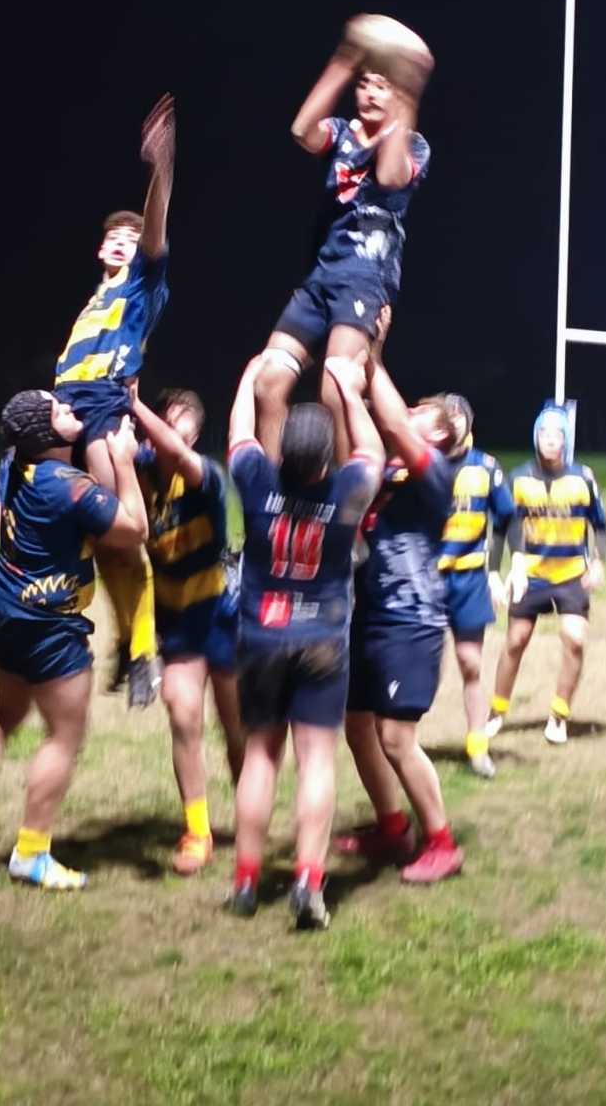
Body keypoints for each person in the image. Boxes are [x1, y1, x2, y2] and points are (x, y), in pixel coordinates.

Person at [0, 392, 149, 890]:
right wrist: (124, 461)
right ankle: (31, 853)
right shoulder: (66, 487)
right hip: (48, 623)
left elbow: (34, 429)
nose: (70, 410)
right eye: (59, 411)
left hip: (5, 606)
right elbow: (134, 529)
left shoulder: (16, 464)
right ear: (46, 435)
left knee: (5, 712)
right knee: (65, 735)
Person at [225, 353, 383, 928]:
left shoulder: (257, 481)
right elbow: (372, 453)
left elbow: (240, 436)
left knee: (260, 757)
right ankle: (308, 881)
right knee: (316, 760)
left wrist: (250, 378)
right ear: (324, 459)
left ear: (286, 451)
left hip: (261, 636)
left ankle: (246, 881)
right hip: (322, 639)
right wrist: (349, 392)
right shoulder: (346, 491)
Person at [251, 16, 431, 461]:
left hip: (365, 280)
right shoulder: (340, 133)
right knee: (268, 379)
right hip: (321, 276)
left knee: (336, 387)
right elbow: (301, 131)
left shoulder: (413, 144)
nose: (370, 93)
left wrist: (408, 92)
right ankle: (272, 493)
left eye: (382, 86)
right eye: (364, 84)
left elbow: (389, 177)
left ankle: (349, 493)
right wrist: (345, 60)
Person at [52, 93, 174, 708]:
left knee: (122, 534)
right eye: (115, 237)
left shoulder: (143, 285)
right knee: (90, 542)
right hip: (63, 408)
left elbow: (155, 231)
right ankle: (121, 641)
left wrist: (160, 169)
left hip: (101, 407)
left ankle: (144, 651)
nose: (125, 242)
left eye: (132, 236)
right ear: (101, 249)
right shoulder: (92, 301)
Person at [335, 336, 466, 884]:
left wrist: (374, 356)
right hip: (368, 614)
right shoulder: (389, 472)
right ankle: (393, 827)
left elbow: (389, 422)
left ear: (440, 434)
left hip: (409, 619)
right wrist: (349, 390)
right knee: (356, 725)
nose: (408, 412)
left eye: (421, 413)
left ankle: (442, 842)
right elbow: (359, 439)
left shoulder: (436, 473)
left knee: (395, 736)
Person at [130, 389, 246, 875]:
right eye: (164, 421)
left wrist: (133, 405)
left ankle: (250, 818)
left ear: (193, 436)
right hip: (176, 623)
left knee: (236, 726)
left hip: (221, 614)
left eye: (178, 427)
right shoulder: (138, 472)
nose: (167, 436)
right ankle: (197, 831)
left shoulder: (205, 476)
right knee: (183, 714)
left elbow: (176, 455)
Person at [486, 406, 606, 746]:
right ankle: (497, 711)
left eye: (557, 434)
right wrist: (495, 571)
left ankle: (558, 715)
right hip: (532, 575)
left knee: (575, 639)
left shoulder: (583, 478)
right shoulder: (519, 479)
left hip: (571, 575)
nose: (551, 440)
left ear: (566, 440)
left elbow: (599, 525)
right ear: (536, 437)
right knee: (515, 641)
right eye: (544, 433)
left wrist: (598, 561)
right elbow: (501, 528)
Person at [436, 395, 514, 778]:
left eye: (459, 416)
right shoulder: (421, 462)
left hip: (468, 579)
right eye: (446, 416)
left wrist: (496, 571)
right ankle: (398, 744)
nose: (453, 422)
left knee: (470, 663)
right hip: (426, 582)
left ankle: (477, 747)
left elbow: (507, 517)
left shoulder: (485, 467)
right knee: (421, 667)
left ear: (469, 422)